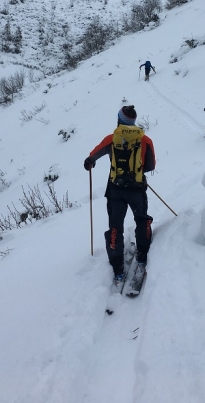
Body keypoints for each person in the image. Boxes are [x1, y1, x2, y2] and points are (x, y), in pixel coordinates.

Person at [84, 105, 156, 282]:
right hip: (137, 189)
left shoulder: (112, 139)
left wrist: (89, 163)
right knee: (141, 220)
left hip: (115, 189)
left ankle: (117, 267)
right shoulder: (145, 140)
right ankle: (142, 256)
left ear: (119, 120)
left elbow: (92, 156)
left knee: (116, 226)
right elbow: (151, 166)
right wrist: (137, 171)